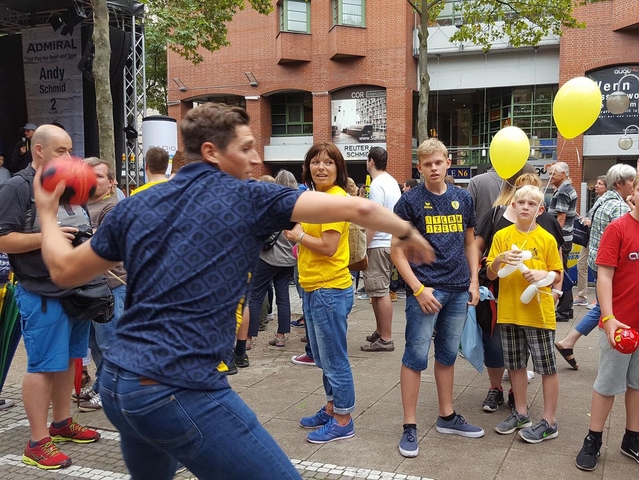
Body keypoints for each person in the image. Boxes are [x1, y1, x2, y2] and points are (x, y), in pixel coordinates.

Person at [33, 103, 434, 479]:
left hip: (119, 387)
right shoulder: (248, 196)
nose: (256, 158)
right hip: (174, 389)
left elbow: (64, 270)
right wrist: (408, 232)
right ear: (211, 151)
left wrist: (47, 211)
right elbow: (358, 210)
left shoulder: (138, 204)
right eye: (246, 148)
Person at [0, 125, 101, 470]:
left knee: (68, 361)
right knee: (43, 365)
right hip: (39, 291)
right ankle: (37, 442)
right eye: (62, 151)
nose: (69, 158)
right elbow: (2, 239)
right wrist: (47, 235)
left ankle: (61, 424)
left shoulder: (67, 186)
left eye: (71, 150)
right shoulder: (17, 186)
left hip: (75, 290)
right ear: (38, 150)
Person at [393, 138, 482, 459]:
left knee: (447, 355)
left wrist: (473, 281)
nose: (433, 168)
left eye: (438, 162)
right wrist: (418, 289)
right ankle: (409, 425)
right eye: (426, 163)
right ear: (419, 166)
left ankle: (447, 416)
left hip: (458, 289)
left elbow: (470, 243)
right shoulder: (409, 202)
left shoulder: (463, 198)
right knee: (414, 356)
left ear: (448, 163)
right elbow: (397, 252)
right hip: (425, 292)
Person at [283, 142, 359, 444]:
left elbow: (328, 247)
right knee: (324, 359)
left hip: (330, 288)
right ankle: (331, 408)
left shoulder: (335, 200)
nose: (321, 167)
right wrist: (299, 232)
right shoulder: (316, 197)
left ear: (339, 168)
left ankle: (343, 419)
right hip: (314, 286)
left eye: (328, 162)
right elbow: (300, 222)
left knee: (335, 358)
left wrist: (300, 236)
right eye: (315, 162)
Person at [474, 171, 563, 413]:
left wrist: (544, 278)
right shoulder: (502, 236)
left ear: (540, 210)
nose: (525, 207)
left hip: (538, 314)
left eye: (532, 203)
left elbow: (557, 273)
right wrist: (499, 260)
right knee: (515, 365)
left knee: (547, 367)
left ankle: (549, 418)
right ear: (512, 204)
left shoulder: (546, 239)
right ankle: (520, 412)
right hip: (509, 311)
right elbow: (491, 274)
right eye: (521, 202)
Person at [575, 173, 639, 471]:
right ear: (632, 194)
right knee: (607, 384)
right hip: (621, 324)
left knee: (637, 385)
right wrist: (609, 318)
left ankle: (632, 438)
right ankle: (594, 437)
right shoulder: (619, 228)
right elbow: (604, 275)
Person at [555, 164, 636, 369]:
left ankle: (568, 342)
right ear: (620, 183)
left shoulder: (603, 200)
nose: (633, 186)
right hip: (613, 266)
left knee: (602, 305)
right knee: (606, 307)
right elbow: (628, 238)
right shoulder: (619, 207)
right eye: (631, 182)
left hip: (598, 259)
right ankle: (568, 342)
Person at [76, 157, 128, 412]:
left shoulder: (113, 208)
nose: (92, 181)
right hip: (89, 286)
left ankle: (110, 393)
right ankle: (100, 386)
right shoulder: (81, 206)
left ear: (111, 181)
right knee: (95, 343)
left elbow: (103, 247)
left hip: (112, 285)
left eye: (98, 176)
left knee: (110, 342)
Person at [248, 169, 298, 348]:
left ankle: (248, 338)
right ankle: (281, 335)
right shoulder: (298, 207)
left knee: (255, 295)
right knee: (283, 297)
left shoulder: (272, 205)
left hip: (268, 257)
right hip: (288, 260)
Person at [361, 147, 402, 352]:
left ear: (370, 161)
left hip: (379, 242)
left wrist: (364, 246)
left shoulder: (377, 184)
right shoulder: (391, 181)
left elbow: (373, 219)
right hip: (388, 241)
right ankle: (380, 331)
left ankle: (385, 337)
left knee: (380, 290)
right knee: (377, 291)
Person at [546, 161, 578, 321]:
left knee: (561, 273)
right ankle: (566, 309)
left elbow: (561, 218)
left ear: (563, 174)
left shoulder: (564, 191)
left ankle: (564, 310)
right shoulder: (564, 189)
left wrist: (555, 240)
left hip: (561, 239)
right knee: (562, 271)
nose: (550, 176)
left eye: (553, 173)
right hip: (565, 238)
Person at [573, 175, 607, 306]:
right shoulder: (599, 200)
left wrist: (590, 222)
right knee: (582, 265)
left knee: (598, 270)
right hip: (589, 239)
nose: (596, 186)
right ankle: (583, 295)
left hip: (598, 240)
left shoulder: (607, 202)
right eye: (597, 183)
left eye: (600, 184)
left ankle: (599, 300)